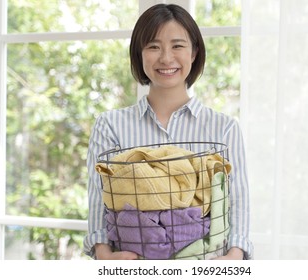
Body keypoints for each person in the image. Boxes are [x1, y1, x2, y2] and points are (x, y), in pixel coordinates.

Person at [84, 3, 253, 260]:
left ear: (194, 52)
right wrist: (103, 253)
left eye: (177, 45)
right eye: (153, 46)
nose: (166, 58)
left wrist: (235, 256)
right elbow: (99, 196)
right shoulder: (110, 125)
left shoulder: (224, 127)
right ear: (139, 54)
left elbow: (237, 199)